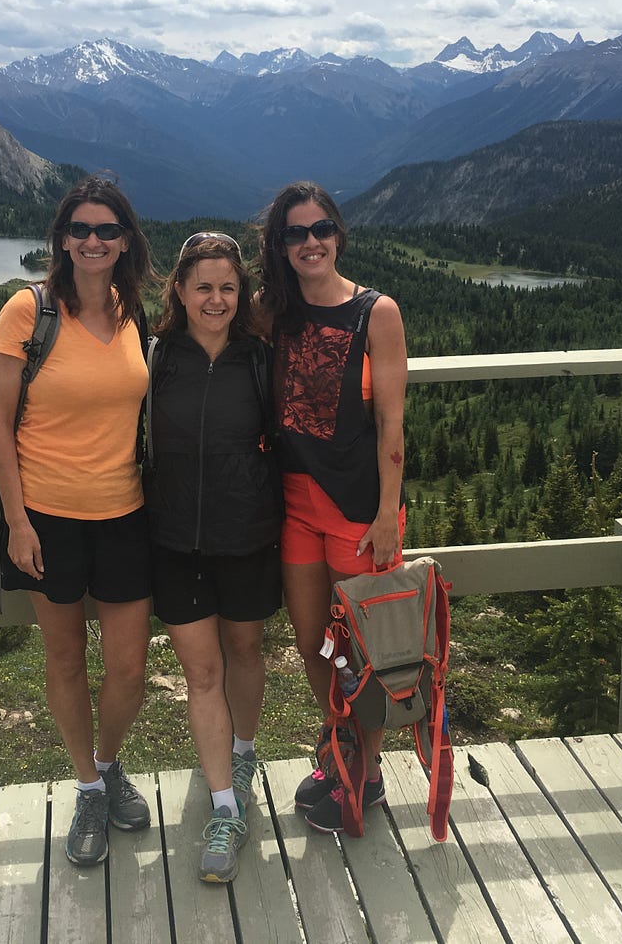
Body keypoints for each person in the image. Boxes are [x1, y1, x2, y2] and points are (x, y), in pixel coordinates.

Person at [0, 174, 157, 868]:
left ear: (124, 241)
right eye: (79, 229)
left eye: (106, 230)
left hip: (126, 513)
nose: (92, 241)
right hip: (46, 518)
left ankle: (107, 761)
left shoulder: (132, 310)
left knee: (129, 667)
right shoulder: (28, 312)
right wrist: (17, 523)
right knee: (64, 659)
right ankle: (89, 785)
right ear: (61, 238)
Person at [256, 181, 408, 834]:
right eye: (295, 233)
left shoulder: (377, 312)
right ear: (280, 245)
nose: (310, 242)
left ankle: (363, 774)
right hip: (294, 504)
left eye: (320, 229)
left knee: (361, 653)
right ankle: (339, 746)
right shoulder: (270, 311)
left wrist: (385, 516)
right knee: (312, 641)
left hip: (358, 511)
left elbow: (394, 426)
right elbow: (204, 322)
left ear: (338, 234)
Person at [145, 232, 283, 883]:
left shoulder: (260, 357)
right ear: (179, 289)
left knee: (246, 652)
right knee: (203, 674)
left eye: (228, 287)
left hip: (248, 534)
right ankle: (225, 807)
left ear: (242, 292)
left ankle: (245, 751)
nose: (216, 299)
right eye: (203, 286)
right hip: (172, 540)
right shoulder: (153, 357)